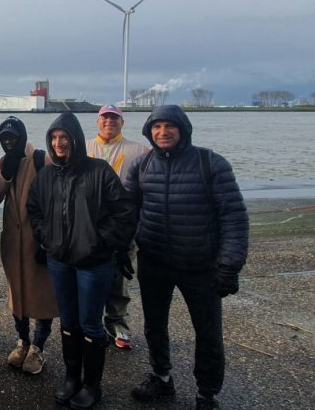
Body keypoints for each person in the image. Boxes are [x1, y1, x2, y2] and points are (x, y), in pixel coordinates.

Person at [125, 105, 248, 410]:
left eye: (170, 126)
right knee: (154, 325)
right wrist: (119, 251)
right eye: (156, 127)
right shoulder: (141, 165)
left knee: (207, 331)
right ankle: (161, 376)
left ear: (183, 129)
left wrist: (229, 264)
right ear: (149, 132)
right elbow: (126, 214)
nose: (163, 132)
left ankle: (207, 392)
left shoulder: (211, 164)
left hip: (200, 265)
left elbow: (233, 216)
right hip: (154, 261)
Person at [27, 112, 137, 410]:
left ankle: (92, 385)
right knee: (69, 321)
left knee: (90, 324)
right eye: (54, 138)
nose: (59, 143)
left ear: (75, 139)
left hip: (94, 263)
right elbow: (33, 209)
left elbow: (125, 212)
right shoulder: (47, 175)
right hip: (59, 260)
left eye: (64, 138)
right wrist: (46, 238)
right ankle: (72, 378)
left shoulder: (99, 171)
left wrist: (101, 243)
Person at [0, 116, 57, 375]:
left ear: (23, 136)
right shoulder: (1, 161)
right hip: (12, 241)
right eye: (4, 138)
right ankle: (22, 341)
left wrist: (48, 241)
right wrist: (4, 174)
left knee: (43, 296)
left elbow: (56, 200)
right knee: (16, 293)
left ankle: (38, 347)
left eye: (13, 137)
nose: (9, 142)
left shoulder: (41, 159)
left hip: (39, 240)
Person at [85, 104, 149, 350]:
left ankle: (117, 323)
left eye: (114, 118)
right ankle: (89, 323)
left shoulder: (140, 151)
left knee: (119, 277)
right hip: (89, 224)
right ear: (97, 122)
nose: (109, 122)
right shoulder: (84, 149)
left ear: (122, 122)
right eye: (105, 118)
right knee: (88, 275)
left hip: (123, 225)